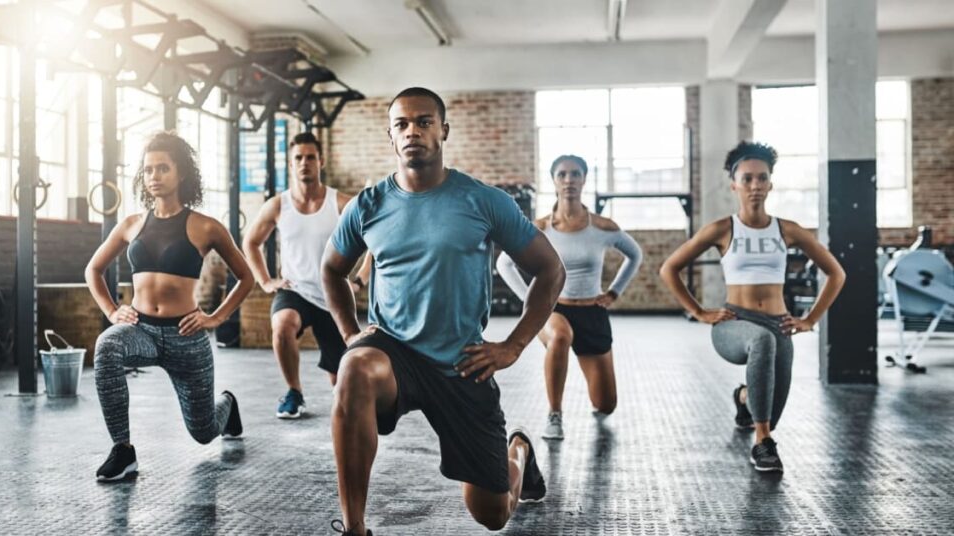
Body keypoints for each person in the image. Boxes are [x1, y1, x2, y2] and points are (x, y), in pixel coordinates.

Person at [321, 87, 566, 535]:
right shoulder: (368, 206)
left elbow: (550, 270)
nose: (412, 131)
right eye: (402, 124)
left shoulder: (483, 201)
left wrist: (513, 345)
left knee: (491, 515)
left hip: (461, 362)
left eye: (424, 121)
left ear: (443, 130)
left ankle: (519, 452)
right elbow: (332, 270)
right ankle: (355, 528)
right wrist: (349, 332)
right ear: (391, 137)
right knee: (354, 367)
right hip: (393, 351)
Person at [659, 141, 845, 472]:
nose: (755, 186)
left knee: (772, 405)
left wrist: (811, 319)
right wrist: (700, 312)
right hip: (734, 322)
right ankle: (762, 443)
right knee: (762, 342)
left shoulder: (788, 230)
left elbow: (836, 273)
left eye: (762, 178)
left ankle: (745, 399)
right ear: (734, 185)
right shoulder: (721, 229)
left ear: (771, 183)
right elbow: (668, 268)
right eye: (747, 179)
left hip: (779, 323)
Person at [84, 132, 255, 481]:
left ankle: (228, 405)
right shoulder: (131, 224)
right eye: (148, 170)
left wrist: (216, 317)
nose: (154, 176)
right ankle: (123, 451)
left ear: (181, 175)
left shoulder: (205, 227)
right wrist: (112, 311)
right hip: (141, 331)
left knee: (203, 432)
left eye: (163, 168)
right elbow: (94, 269)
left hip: (185, 338)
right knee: (107, 346)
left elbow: (246, 277)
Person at [496, 154, 642, 440]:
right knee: (560, 335)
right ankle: (555, 414)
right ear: (554, 180)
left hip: (593, 312)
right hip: (554, 309)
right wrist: (532, 301)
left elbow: (635, 254)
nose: (569, 180)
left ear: (584, 179)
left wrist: (614, 292)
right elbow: (504, 263)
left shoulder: (602, 227)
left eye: (575, 174)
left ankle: (597, 401)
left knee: (606, 404)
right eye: (562, 174)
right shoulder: (539, 228)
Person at [243, 132, 369, 419]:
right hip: (295, 290)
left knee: (342, 387)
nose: (304, 163)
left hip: (333, 295)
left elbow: (375, 240)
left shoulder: (341, 203)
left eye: (310, 157)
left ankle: (341, 396)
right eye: (298, 158)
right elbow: (250, 242)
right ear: (290, 164)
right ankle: (294, 392)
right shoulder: (278, 205)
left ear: (321, 161)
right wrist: (265, 281)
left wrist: (360, 278)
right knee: (283, 324)